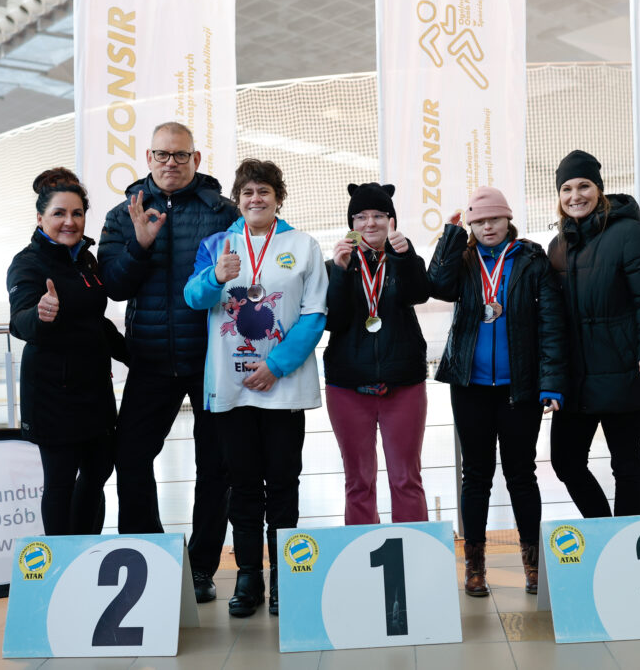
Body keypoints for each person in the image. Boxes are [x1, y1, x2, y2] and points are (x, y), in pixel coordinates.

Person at [97, 122, 237, 603]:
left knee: (215, 466)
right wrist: (139, 244)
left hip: (211, 360)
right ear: (149, 158)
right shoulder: (124, 214)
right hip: (151, 359)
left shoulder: (223, 212)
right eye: (162, 154)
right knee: (131, 457)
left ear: (196, 158)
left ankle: (200, 568)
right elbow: (115, 286)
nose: (170, 163)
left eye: (180, 155)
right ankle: (151, 558)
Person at [184, 158, 328, 618]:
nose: (255, 198)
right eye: (247, 192)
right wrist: (216, 277)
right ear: (238, 199)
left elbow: (314, 314)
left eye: (264, 191)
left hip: (283, 387)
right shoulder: (217, 245)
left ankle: (286, 575)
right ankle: (249, 576)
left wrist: (277, 365)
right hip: (232, 388)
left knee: (283, 484)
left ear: (278, 198)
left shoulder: (303, 245)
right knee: (243, 486)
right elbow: (193, 298)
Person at [427, 185, 566, 597]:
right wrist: (450, 237)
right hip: (470, 385)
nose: (487, 227)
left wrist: (551, 382)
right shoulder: (463, 259)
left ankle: (533, 564)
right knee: (476, 475)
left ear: (508, 219)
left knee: (521, 474)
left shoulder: (531, 259)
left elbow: (551, 323)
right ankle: (475, 566)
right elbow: (438, 286)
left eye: (494, 219)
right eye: (479, 221)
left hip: (519, 386)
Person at [547, 150, 640, 518]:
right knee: (566, 461)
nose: (575, 196)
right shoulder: (558, 245)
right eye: (567, 189)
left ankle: (627, 538)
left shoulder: (629, 233)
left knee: (626, 465)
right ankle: (603, 530)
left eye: (584, 186)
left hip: (623, 367)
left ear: (599, 189)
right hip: (576, 376)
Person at [7, 168, 127, 536]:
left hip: (94, 389)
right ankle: (62, 558)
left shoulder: (86, 261)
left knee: (97, 473)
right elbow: (20, 321)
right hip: (52, 394)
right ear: (40, 218)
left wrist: (137, 356)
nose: (69, 222)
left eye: (77, 213)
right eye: (59, 213)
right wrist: (40, 314)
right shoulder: (28, 263)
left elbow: (95, 321)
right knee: (60, 482)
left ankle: (87, 550)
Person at [323, 183, 430, 525]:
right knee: (358, 482)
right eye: (361, 216)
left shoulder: (406, 257)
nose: (370, 223)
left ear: (391, 220)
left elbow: (418, 295)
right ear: (352, 224)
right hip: (348, 385)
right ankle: (361, 551)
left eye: (379, 216)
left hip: (403, 383)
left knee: (406, 479)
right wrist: (340, 272)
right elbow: (334, 321)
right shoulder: (334, 265)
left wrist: (404, 257)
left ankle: (414, 550)